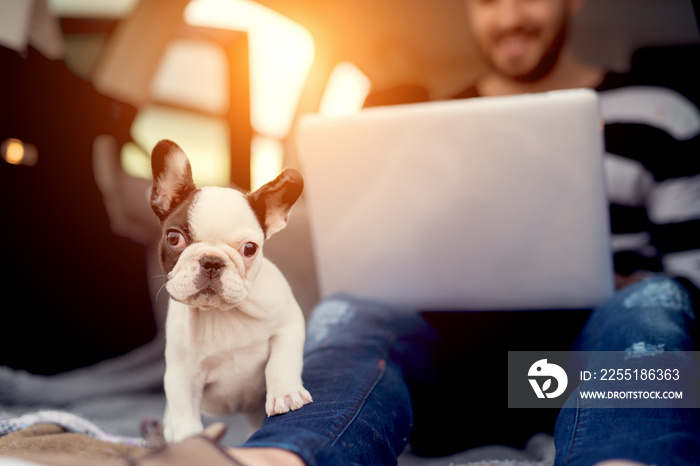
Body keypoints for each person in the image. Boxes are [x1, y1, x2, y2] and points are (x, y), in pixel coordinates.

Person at [222, 0, 700, 465]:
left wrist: (616, 287)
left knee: (656, 300)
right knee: (349, 309)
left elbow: (692, 278)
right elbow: (376, 255)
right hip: (457, 382)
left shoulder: (662, 115)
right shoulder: (427, 128)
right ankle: (276, 458)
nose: (509, 17)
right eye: (488, 1)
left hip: (593, 368)